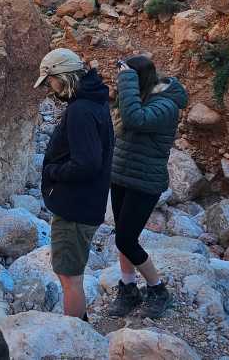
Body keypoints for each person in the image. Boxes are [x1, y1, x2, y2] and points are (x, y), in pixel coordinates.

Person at [35, 48, 114, 322]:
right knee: (69, 272)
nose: (50, 88)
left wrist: (54, 171)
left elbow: (87, 163)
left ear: (62, 77)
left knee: (69, 277)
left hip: (76, 209)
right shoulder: (95, 100)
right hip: (86, 202)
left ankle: (73, 336)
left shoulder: (80, 110)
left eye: (50, 81)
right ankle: (80, 325)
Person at [106, 54, 188, 318]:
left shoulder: (166, 105)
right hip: (122, 176)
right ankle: (129, 289)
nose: (121, 84)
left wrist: (127, 79)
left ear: (136, 79)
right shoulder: (141, 95)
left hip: (145, 183)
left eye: (126, 78)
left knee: (126, 240)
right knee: (122, 238)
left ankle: (158, 289)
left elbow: (135, 120)